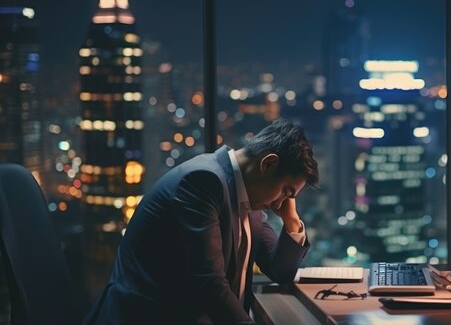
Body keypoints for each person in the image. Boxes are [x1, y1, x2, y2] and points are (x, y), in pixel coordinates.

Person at [83, 119, 319, 324]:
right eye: (286, 192)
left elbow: (280, 271)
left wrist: (292, 220)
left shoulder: (246, 198)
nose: (281, 203)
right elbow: (209, 283)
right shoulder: (205, 181)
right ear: (268, 164)